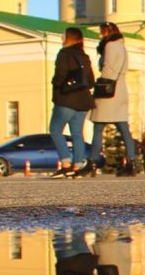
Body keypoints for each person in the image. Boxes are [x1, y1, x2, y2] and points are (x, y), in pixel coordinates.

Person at [79, 22, 137, 176]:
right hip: (120, 88)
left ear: (108, 32)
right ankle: (132, 162)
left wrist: (101, 83)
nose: (100, 35)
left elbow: (108, 68)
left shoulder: (110, 46)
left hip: (108, 90)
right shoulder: (122, 46)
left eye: (102, 32)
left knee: (98, 128)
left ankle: (92, 163)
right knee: (124, 129)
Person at [48, 27, 95, 178]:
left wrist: (55, 83)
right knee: (77, 134)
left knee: (55, 129)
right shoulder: (84, 56)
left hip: (67, 99)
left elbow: (60, 75)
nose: (62, 37)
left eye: (64, 35)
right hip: (83, 101)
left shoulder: (64, 54)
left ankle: (66, 163)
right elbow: (91, 81)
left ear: (70, 38)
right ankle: (78, 165)